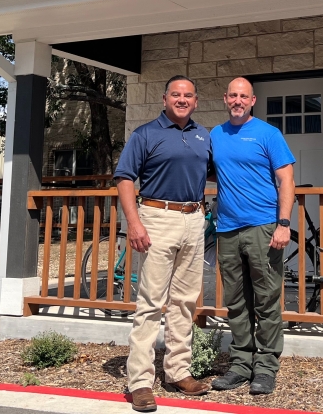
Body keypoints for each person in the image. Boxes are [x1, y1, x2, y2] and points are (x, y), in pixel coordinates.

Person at [113, 75, 212, 413]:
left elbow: (218, 171)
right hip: (156, 217)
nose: (182, 99)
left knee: (185, 301)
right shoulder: (145, 134)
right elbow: (125, 178)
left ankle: (178, 371)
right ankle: (140, 381)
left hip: (194, 218)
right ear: (165, 99)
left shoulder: (203, 136)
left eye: (188, 95)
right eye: (176, 94)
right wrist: (135, 223)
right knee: (151, 302)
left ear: (195, 101)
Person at [209, 77, 296, 396]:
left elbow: (286, 180)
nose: (237, 101)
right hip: (228, 229)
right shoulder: (215, 135)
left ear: (253, 100)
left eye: (243, 96)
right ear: (225, 98)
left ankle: (266, 367)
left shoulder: (268, 134)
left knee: (266, 300)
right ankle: (240, 364)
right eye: (233, 95)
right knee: (235, 301)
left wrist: (283, 223)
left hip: (264, 228)